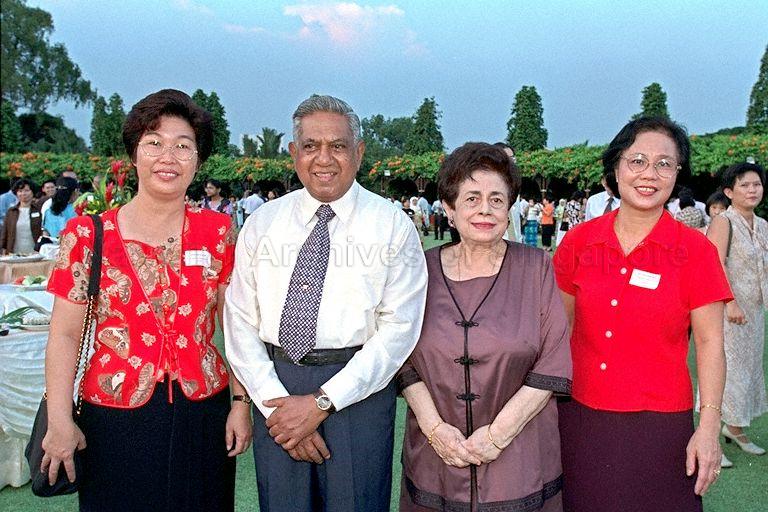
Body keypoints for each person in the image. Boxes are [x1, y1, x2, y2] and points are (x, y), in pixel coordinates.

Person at [41, 89, 252, 511]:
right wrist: (59, 420)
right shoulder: (87, 235)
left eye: (183, 146)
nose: (168, 156)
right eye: (154, 143)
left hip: (203, 411)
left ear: (197, 160)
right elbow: (64, 335)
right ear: (134, 156)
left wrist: (241, 404)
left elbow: (237, 327)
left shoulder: (219, 232)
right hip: (114, 415)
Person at [223, 95, 428, 512]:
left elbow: (399, 331)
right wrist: (273, 404)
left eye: (337, 146)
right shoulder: (263, 223)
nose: (324, 159)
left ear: (360, 152)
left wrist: (322, 402)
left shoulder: (392, 226)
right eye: (311, 146)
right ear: (294, 153)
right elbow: (240, 319)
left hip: (358, 393)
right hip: (276, 389)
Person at [553, 117, 732, 511]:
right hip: (581, 416)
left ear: (677, 174)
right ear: (615, 168)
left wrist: (708, 426)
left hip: (661, 424)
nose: (649, 174)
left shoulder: (696, 251)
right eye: (636, 161)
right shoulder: (579, 242)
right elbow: (558, 333)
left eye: (664, 163)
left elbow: (710, 343)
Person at [397, 142, 571, 511]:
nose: (485, 210)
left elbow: (552, 361)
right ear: (449, 207)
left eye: (496, 199)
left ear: (509, 208)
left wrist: (496, 437)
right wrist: (435, 430)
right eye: (472, 198)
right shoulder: (419, 271)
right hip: (436, 455)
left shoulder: (535, 267)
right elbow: (400, 358)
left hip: (519, 455)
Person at [706, 162, 767, 468]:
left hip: (754, 313)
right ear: (729, 192)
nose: (752, 190)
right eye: (744, 185)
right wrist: (730, 302)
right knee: (725, 372)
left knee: (748, 372)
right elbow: (714, 265)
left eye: (756, 184)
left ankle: (737, 430)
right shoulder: (723, 223)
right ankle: (712, 437)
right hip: (728, 311)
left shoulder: (763, 225)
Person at [0, 179, 42, 254]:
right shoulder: (11, 212)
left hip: (34, 254)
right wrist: (3, 250)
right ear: (16, 193)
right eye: (20, 191)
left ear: (33, 192)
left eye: (26, 190)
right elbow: (4, 234)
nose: (23, 193)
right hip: (13, 254)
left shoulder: (38, 211)